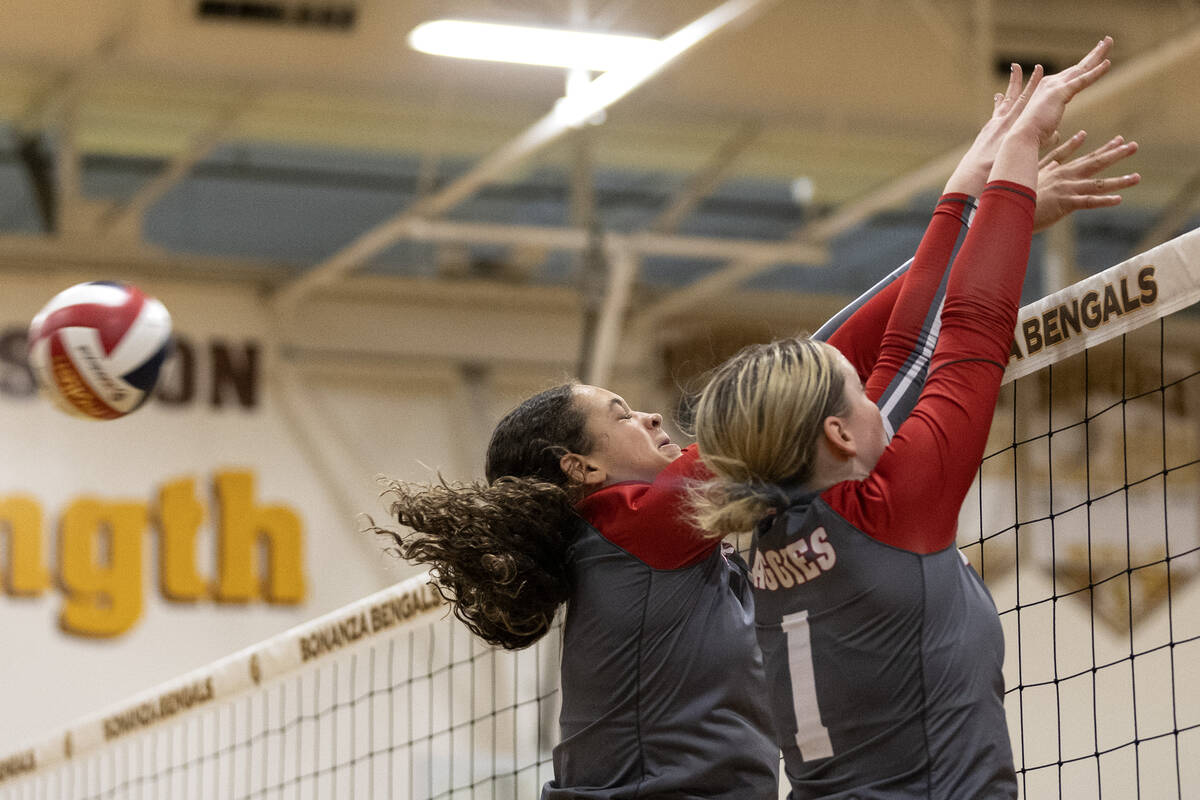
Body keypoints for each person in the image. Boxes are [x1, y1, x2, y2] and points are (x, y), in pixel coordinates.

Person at [373, 41, 1134, 798]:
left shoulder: (708, 536)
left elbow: (820, 374)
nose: (646, 414)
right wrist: (982, 216)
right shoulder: (634, 522)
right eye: (617, 413)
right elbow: (815, 369)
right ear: (582, 469)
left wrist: (975, 215)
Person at [689, 39, 1115, 800]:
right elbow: (970, 329)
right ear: (838, 434)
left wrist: (970, 185)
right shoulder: (894, 507)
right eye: (857, 386)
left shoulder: (781, 523)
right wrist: (1019, 151)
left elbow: (906, 345)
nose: (877, 383)